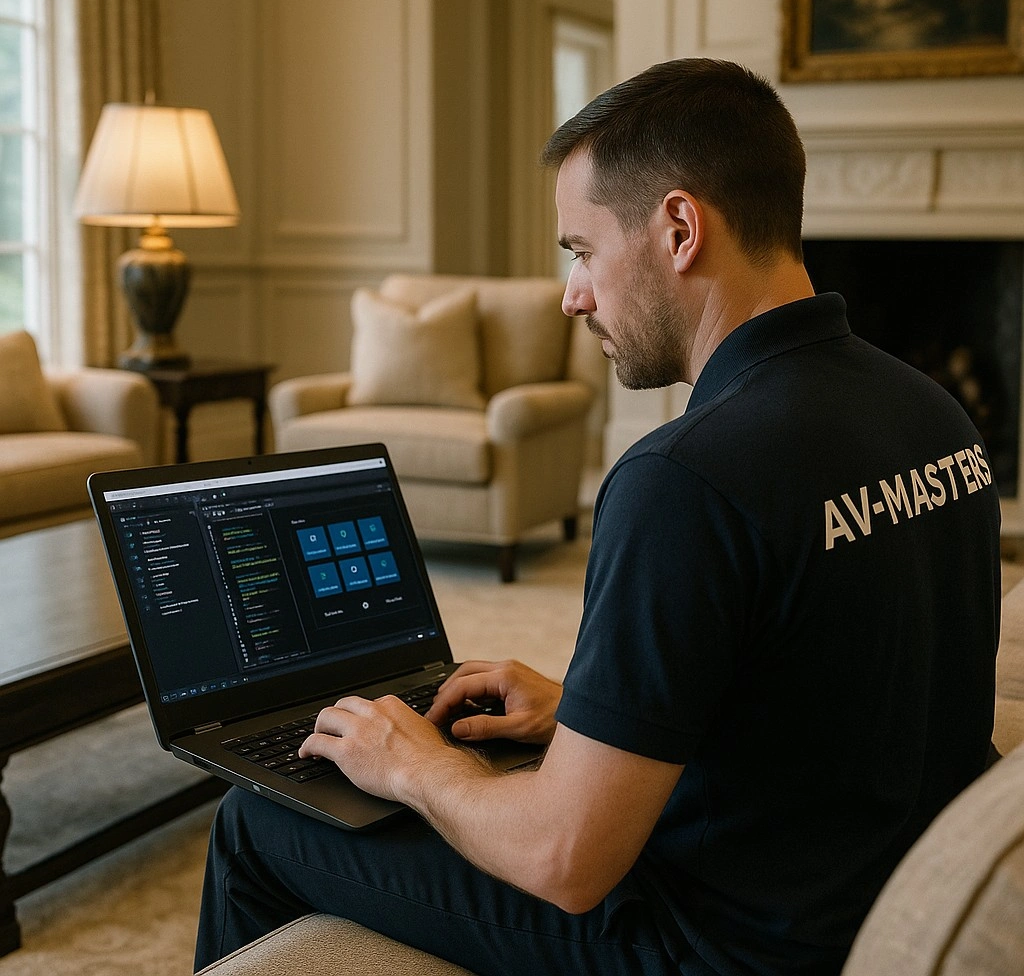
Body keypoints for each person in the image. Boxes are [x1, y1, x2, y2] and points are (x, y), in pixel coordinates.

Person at [194, 59, 1000, 976]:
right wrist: (592, 714)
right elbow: (832, 682)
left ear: (680, 229)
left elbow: (565, 860)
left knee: (256, 821)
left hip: (722, 947)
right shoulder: (931, 411)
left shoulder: (684, 478)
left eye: (582, 250)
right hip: (872, 891)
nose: (573, 295)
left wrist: (413, 763)